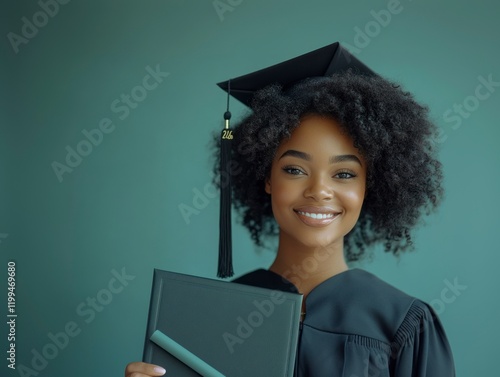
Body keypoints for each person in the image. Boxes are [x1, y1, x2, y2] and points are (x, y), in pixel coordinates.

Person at [125, 43, 455, 376]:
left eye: (344, 174)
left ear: (369, 186)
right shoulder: (212, 315)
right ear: (266, 176)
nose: (319, 191)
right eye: (294, 169)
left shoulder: (403, 324)